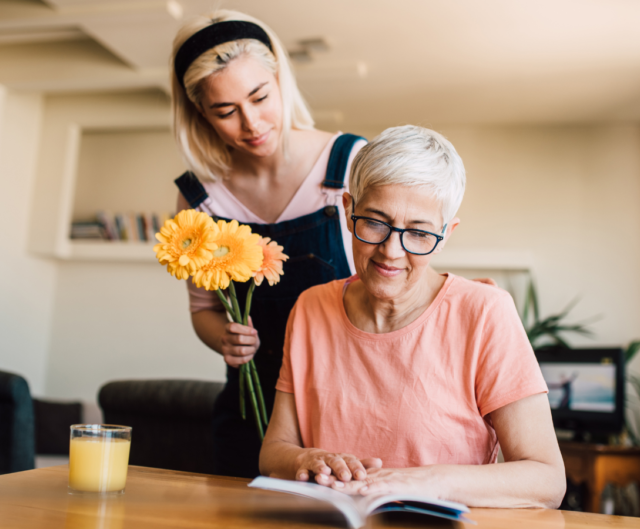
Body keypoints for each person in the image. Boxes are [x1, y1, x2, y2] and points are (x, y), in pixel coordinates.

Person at [259, 125, 566, 508]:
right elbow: (274, 451)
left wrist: (424, 482)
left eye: (419, 234)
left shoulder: (485, 312)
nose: (391, 251)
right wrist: (306, 459)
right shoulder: (310, 308)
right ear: (348, 209)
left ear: (446, 233)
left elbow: (547, 479)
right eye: (374, 222)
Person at [170, 10, 367, 478]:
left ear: (281, 79)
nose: (252, 123)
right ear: (201, 112)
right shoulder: (200, 196)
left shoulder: (349, 162)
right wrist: (225, 339)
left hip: (346, 410)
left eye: (260, 97)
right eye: (225, 111)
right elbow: (203, 311)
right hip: (248, 415)